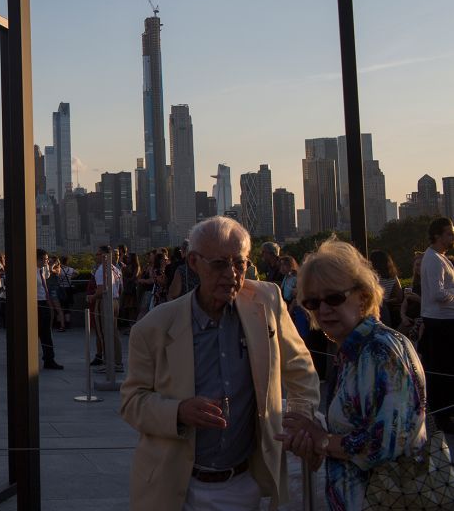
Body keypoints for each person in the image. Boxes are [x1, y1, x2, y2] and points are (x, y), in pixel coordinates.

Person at [119, 216, 319, 511]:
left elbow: (301, 369)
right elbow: (131, 402)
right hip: (176, 487)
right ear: (193, 263)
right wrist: (178, 412)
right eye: (219, 264)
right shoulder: (154, 328)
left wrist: (302, 418)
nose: (232, 274)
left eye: (240, 263)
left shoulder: (266, 302)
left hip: (244, 483)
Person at [280, 239, 427, 511]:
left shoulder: (379, 350)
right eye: (313, 302)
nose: (323, 310)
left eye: (334, 298)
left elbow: (386, 443)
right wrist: (316, 444)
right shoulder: (352, 353)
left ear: (363, 296)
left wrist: (322, 439)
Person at [419, 216, 454, 432]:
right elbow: (438, 293)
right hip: (441, 322)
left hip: (445, 320)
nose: (452, 237)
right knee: (442, 367)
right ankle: (442, 414)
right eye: (449, 233)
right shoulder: (432, 259)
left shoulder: (440, 258)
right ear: (437, 235)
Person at [93, 246, 123, 373]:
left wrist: (91, 297)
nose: (96, 256)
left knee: (104, 333)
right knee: (114, 333)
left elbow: (100, 290)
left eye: (98, 254)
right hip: (116, 301)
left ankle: (109, 363)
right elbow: (121, 288)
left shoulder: (101, 270)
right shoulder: (115, 269)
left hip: (105, 302)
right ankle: (117, 362)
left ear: (105, 255)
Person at [35, 249, 63, 370]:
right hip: (37, 304)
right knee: (42, 333)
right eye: (45, 259)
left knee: (46, 333)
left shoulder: (41, 270)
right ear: (37, 259)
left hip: (44, 303)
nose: (47, 262)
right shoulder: (31, 271)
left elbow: (46, 277)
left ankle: (49, 358)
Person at [369, 249, 402, 329]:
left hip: (372, 308)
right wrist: (386, 301)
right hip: (385, 310)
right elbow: (399, 297)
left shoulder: (371, 276)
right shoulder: (393, 277)